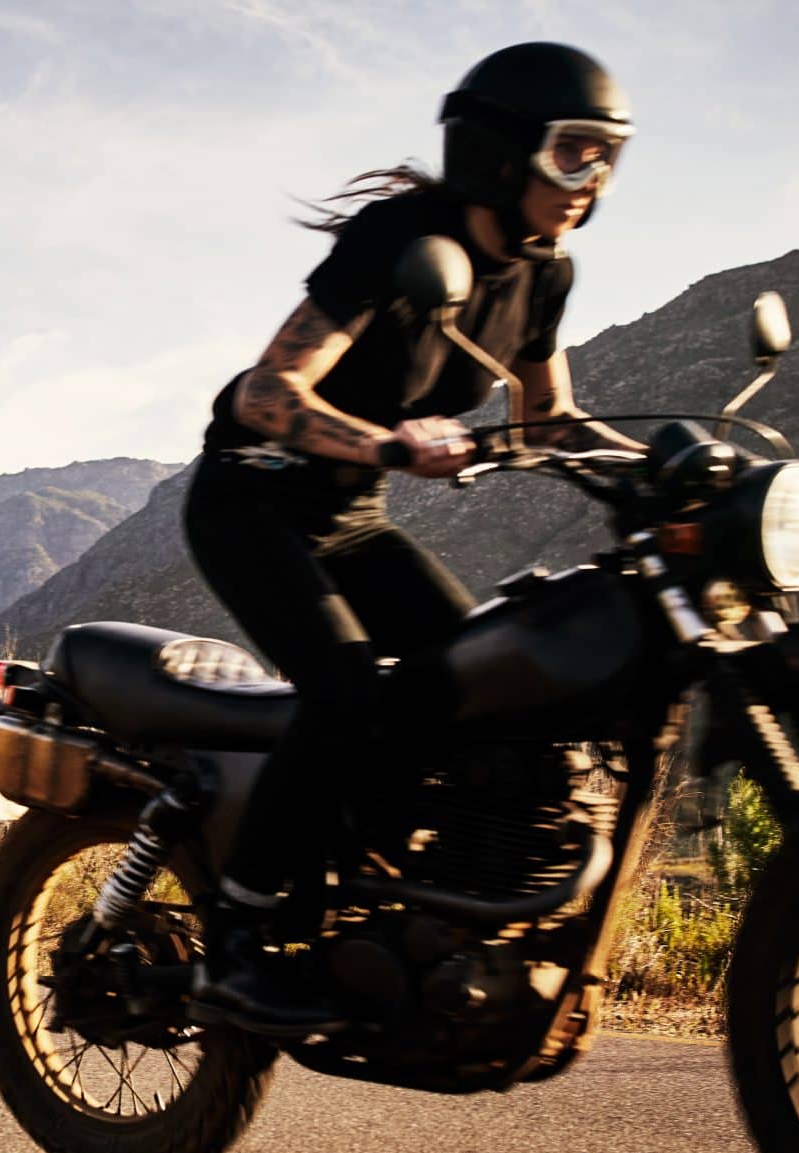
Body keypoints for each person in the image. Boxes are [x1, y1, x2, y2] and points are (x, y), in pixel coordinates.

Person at [183, 41, 644, 1037]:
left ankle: (385, 893)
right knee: (345, 688)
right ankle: (235, 935)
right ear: (501, 152)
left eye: (607, 156)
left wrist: (665, 467)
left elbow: (546, 420)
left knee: (477, 682)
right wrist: (387, 445)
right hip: (250, 499)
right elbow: (266, 394)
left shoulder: (543, 274)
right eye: (573, 151)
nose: (591, 179)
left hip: (350, 519)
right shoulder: (399, 240)